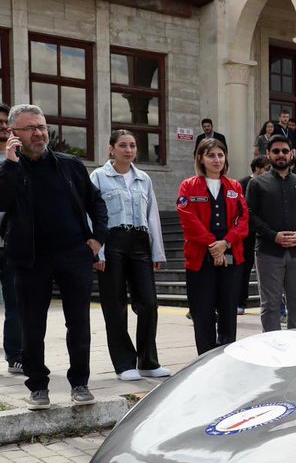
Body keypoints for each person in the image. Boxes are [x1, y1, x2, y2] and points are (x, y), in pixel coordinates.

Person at [0, 104, 108, 408]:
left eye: (42, 127)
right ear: (13, 134)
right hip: (30, 258)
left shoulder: (69, 164)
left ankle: (80, 383)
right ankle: (38, 386)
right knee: (32, 324)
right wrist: (9, 164)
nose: (39, 133)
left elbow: (96, 203)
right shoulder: (8, 168)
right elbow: (1, 200)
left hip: (74, 254)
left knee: (79, 321)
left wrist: (97, 238)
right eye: (30, 128)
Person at [91, 130, 170, 380]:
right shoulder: (99, 177)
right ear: (111, 149)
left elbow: (152, 216)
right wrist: (97, 252)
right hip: (112, 241)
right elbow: (91, 216)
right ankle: (124, 363)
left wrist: (157, 251)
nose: (129, 150)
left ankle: (148, 361)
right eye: (123, 145)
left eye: (133, 145)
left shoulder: (143, 178)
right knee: (115, 305)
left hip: (139, 243)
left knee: (148, 303)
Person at [177, 137, 249, 354]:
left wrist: (225, 243)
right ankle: (205, 357)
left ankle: (227, 356)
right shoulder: (188, 186)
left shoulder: (235, 186)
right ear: (201, 158)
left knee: (228, 311)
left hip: (230, 256)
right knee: (203, 312)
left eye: (220, 155)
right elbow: (187, 219)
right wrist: (213, 244)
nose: (216, 160)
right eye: (211, 155)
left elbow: (243, 219)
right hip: (200, 258)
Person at [246, 134, 296, 331]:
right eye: (276, 151)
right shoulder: (257, 184)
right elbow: (250, 216)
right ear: (268, 154)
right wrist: (273, 235)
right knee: (270, 307)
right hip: (269, 252)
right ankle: (271, 351)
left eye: (285, 151)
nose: (281, 155)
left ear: (291, 154)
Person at [0, 104, 20, 376]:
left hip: (12, 243)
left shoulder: (19, 158)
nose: (3, 126)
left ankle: (16, 355)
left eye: (6, 122)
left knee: (16, 304)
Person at [237, 156, 271, 314]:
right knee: (242, 268)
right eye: (266, 169)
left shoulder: (267, 184)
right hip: (244, 232)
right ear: (257, 168)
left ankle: (241, 301)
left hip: (260, 231)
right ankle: (238, 302)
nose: (268, 172)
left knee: (250, 266)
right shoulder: (243, 183)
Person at [275, 109, 296, 174]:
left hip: (289, 155)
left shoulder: (290, 130)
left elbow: (293, 143)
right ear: (279, 117)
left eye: (287, 117)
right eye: (284, 117)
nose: (285, 119)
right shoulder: (275, 128)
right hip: (279, 154)